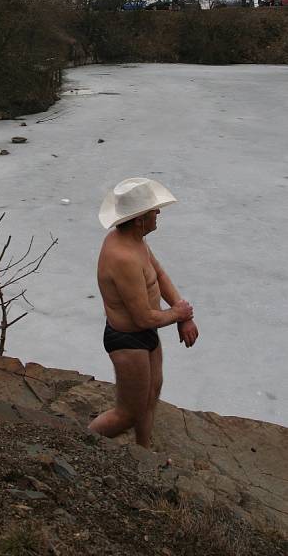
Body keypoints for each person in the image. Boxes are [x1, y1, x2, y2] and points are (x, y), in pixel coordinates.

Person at [89, 177, 198, 448]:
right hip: (128, 340)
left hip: (147, 334)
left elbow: (158, 274)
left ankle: (144, 453)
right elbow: (143, 317)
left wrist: (183, 315)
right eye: (153, 210)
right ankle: (81, 444)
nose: (158, 213)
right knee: (127, 414)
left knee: (150, 397)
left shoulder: (135, 240)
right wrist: (178, 314)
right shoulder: (122, 256)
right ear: (139, 219)